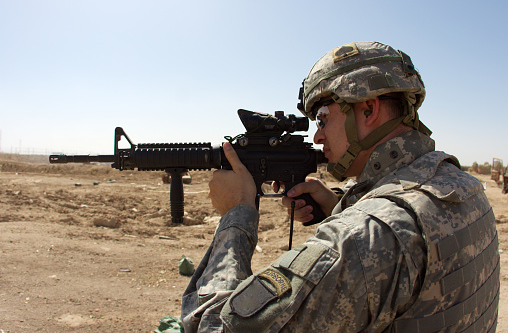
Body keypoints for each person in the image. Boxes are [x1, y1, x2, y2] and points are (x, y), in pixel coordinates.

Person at [180, 41, 499, 332]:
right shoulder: (462, 185)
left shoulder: (358, 240)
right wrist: (339, 207)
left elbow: (214, 327)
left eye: (321, 118)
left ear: (369, 110)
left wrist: (236, 215)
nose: (316, 136)